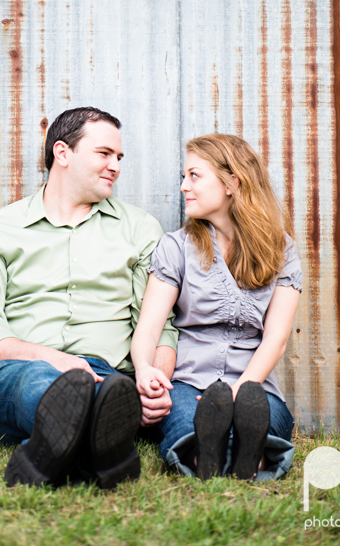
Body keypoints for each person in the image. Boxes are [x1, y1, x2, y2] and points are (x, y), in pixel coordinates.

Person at [0, 107, 178, 489]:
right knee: (44, 383)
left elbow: (159, 326)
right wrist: (56, 360)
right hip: (19, 375)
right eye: (104, 154)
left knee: (107, 392)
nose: (115, 166)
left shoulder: (140, 229)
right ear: (62, 153)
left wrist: (154, 380)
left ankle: (63, 447)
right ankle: (101, 437)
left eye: (119, 158)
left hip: (111, 377)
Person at [131, 133, 302, 481]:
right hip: (188, 382)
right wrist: (144, 369)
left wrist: (243, 388)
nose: (183, 186)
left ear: (231, 183)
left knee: (262, 416)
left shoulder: (281, 250)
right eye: (184, 176)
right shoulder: (175, 247)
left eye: (194, 175)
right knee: (184, 422)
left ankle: (235, 456)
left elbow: (276, 339)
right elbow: (148, 328)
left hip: (254, 384)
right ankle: (227, 459)